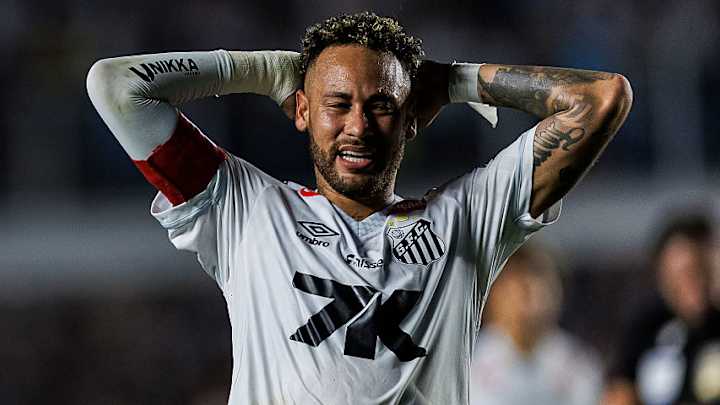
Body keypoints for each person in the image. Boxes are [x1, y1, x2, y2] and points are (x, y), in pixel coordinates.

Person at [86, 11, 632, 405]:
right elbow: (115, 86)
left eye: (382, 106)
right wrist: (268, 71)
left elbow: (601, 98)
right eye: (337, 103)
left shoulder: (467, 220)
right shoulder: (247, 211)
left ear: (412, 118)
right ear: (303, 110)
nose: (358, 126)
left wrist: (455, 81)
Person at [604, 213, 720, 405]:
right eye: (679, 274)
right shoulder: (647, 327)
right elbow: (618, 393)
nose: (690, 283)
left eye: (699, 269)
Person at [470, 244, 602, 405]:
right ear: (494, 294)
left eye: (540, 282)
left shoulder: (580, 365)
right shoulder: (465, 365)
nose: (532, 296)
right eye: (520, 285)